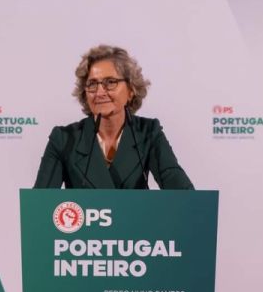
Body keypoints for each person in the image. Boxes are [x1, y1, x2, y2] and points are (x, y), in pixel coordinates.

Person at [34, 45, 194, 189]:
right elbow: (39, 204)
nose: (100, 92)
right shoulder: (63, 139)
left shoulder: (148, 132)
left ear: (131, 90)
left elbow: (184, 194)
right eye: (92, 84)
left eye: (110, 82)